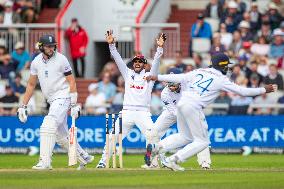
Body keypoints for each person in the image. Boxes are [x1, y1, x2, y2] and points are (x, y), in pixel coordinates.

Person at [145, 53, 277, 171]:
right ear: (223, 66)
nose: (227, 69)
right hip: (193, 106)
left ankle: (157, 147)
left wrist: (156, 77)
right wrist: (265, 89)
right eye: (226, 66)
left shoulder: (200, 71)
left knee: (186, 137)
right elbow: (243, 92)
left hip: (182, 103)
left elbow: (180, 77)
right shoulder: (221, 79)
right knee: (203, 142)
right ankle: (173, 160)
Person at [17, 34, 93, 170]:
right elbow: (30, 85)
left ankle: (45, 162)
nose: (51, 48)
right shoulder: (36, 62)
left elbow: (71, 81)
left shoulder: (62, 59)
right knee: (60, 135)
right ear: (41, 47)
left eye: (53, 46)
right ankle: (84, 157)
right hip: (52, 100)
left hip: (63, 96)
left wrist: (75, 104)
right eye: (48, 46)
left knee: (48, 123)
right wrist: (23, 105)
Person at [96, 30, 166, 168]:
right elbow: (117, 58)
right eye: (135, 62)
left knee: (153, 136)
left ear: (145, 65)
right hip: (126, 112)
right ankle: (103, 161)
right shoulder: (127, 73)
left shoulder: (150, 77)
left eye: (140, 62)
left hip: (143, 113)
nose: (137, 64)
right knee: (112, 136)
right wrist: (111, 46)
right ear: (133, 64)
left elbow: (157, 62)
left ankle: (155, 162)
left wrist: (159, 48)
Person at [142, 68, 211, 170]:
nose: (171, 86)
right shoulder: (165, 93)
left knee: (200, 136)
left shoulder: (189, 86)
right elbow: (174, 112)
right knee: (153, 132)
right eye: (169, 83)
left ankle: (205, 163)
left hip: (192, 111)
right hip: (172, 112)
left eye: (174, 83)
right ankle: (153, 164)